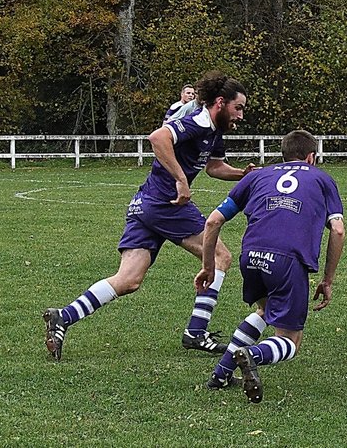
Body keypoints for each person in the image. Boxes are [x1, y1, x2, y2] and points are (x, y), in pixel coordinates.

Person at [43, 71, 257, 361]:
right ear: (220, 102)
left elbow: (214, 167)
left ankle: (63, 317)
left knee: (128, 279)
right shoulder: (197, 121)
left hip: (145, 204)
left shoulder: (214, 132)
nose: (241, 115)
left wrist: (242, 175)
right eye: (239, 108)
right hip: (166, 204)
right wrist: (181, 179)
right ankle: (196, 332)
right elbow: (157, 138)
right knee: (221, 256)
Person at [197, 130, 345, 403]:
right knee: (290, 340)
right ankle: (253, 354)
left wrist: (208, 266)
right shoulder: (322, 178)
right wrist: (328, 279)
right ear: (311, 157)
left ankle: (221, 372)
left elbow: (212, 222)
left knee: (265, 309)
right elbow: (337, 230)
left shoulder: (256, 175)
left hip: (250, 257)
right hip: (287, 261)